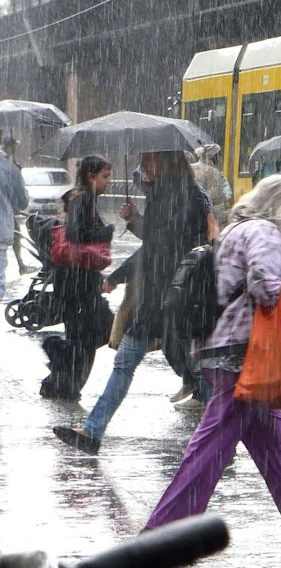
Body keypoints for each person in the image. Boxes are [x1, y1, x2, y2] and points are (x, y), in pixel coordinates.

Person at [141, 176, 281, 555]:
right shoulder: (264, 231)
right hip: (241, 353)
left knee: (270, 439)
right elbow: (263, 282)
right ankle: (163, 531)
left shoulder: (237, 228)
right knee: (211, 446)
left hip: (221, 344)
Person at [54, 151, 214, 455]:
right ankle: (92, 431)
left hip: (165, 294)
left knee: (139, 364)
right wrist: (135, 221)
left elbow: (158, 249)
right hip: (178, 293)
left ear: (163, 161)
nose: (142, 167)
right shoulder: (185, 191)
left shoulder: (172, 194)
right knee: (191, 366)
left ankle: (229, 422)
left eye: (147, 160)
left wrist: (117, 275)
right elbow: (164, 242)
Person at [40, 156, 115, 399]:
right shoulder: (83, 199)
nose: (109, 181)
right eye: (105, 176)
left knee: (84, 336)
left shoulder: (81, 198)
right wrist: (105, 232)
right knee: (97, 331)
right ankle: (58, 352)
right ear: (91, 177)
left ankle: (61, 384)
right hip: (77, 281)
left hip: (76, 278)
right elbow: (76, 234)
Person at [0, 135, 27, 291]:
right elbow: (22, 201)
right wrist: (17, 175)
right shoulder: (8, 168)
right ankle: (21, 264)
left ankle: (21, 263)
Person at [192, 143, 234, 230]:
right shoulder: (213, 172)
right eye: (218, 155)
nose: (219, 158)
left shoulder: (191, 167)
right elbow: (215, 199)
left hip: (191, 212)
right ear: (213, 156)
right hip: (207, 217)